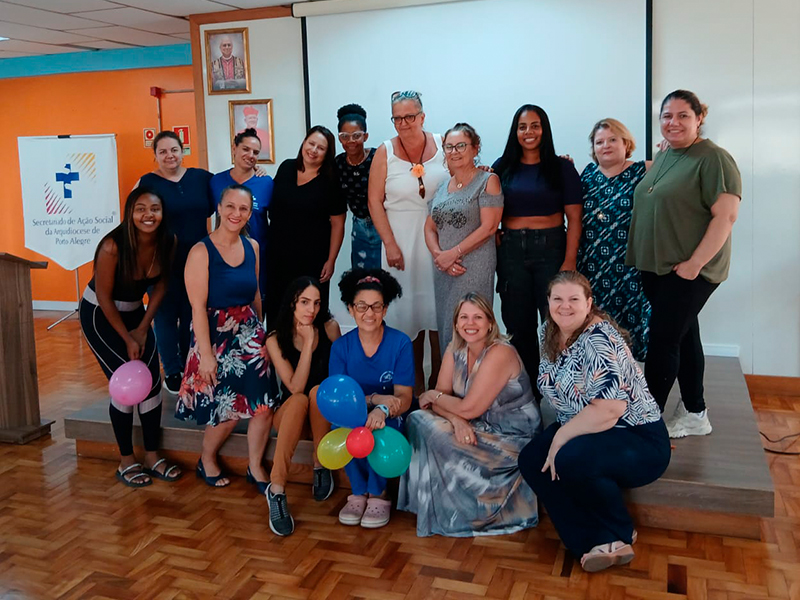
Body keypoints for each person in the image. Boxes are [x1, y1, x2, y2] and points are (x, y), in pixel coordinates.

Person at [517, 271, 670, 572]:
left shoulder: (599, 339)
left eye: (574, 299)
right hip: (590, 430)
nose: (565, 306)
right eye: (557, 299)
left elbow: (609, 410)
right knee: (531, 460)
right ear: (547, 302)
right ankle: (587, 539)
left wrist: (561, 437)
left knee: (569, 456)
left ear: (589, 304)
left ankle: (620, 532)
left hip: (637, 438)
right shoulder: (548, 331)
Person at [626, 90, 742, 438]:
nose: (673, 123)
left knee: (663, 340)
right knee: (684, 335)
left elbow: (726, 216)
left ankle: (644, 421)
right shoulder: (666, 155)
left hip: (690, 269)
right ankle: (695, 412)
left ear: (699, 118)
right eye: (666, 116)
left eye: (682, 116)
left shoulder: (714, 159)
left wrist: (694, 264)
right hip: (659, 266)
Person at [398, 292, 542, 537]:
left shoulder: (500, 352)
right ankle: (444, 502)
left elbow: (459, 405)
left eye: (477, 317)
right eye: (463, 317)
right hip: (476, 425)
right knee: (416, 419)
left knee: (435, 432)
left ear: (490, 324)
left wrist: (438, 399)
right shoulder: (455, 349)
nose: (470, 323)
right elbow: (439, 401)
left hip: (512, 440)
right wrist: (456, 419)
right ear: (455, 324)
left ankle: (466, 509)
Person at [176, 185, 278, 496]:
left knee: (264, 405)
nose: (236, 214)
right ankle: (206, 458)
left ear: (250, 213)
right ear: (219, 209)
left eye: (243, 209)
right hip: (213, 335)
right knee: (226, 408)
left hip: (249, 332)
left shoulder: (253, 247)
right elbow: (196, 308)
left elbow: (257, 294)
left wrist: (262, 334)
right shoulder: (200, 251)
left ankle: (256, 464)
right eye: (230, 207)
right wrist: (206, 355)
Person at [79, 188, 181, 487]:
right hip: (100, 314)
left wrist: (142, 328)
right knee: (126, 384)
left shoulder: (168, 242)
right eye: (140, 209)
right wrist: (127, 338)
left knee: (150, 384)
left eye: (155, 208)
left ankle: (151, 456)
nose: (148, 215)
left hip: (137, 314)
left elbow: (160, 288)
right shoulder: (112, 246)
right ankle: (126, 461)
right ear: (129, 212)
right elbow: (105, 297)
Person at [492, 105, 583, 385]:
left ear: (544, 129)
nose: (528, 132)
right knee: (519, 327)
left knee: (558, 325)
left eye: (535, 126)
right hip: (512, 253)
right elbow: (489, 213)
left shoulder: (562, 168)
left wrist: (569, 262)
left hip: (551, 251)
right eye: (522, 127)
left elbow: (575, 220)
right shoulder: (502, 167)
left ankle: (564, 393)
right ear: (515, 131)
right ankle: (529, 395)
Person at [368, 90, 449, 394]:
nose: (403, 123)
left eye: (409, 116)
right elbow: (374, 202)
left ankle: (438, 384)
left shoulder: (444, 143)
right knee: (407, 315)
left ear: (422, 116)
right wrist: (389, 243)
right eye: (397, 118)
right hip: (399, 241)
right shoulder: (384, 151)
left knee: (438, 315)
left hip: (440, 240)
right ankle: (411, 387)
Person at [329, 268, 413, 529]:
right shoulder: (341, 347)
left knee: (380, 428)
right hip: (353, 414)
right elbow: (337, 399)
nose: (369, 313)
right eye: (362, 306)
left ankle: (378, 493)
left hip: (390, 416)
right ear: (351, 309)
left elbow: (404, 397)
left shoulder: (400, 343)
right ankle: (357, 492)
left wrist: (383, 411)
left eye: (376, 307)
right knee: (345, 427)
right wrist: (376, 399)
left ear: (385, 310)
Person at [137, 131, 215, 395]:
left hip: (197, 259)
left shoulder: (201, 178)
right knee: (165, 314)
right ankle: (172, 369)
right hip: (162, 261)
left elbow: (229, 191)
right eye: (162, 152)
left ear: (183, 151)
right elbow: (136, 219)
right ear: (155, 156)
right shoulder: (147, 183)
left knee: (192, 313)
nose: (169, 156)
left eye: (174, 150)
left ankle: (189, 366)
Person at [264, 277, 342, 536]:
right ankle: (276, 490)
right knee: (299, 398)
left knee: (319, 391)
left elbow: (339, 379)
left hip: (322, 416)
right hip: (290, 417)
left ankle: (321, 465)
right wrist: (307, 344)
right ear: (291, 304)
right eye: (305, 302)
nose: (312, 310)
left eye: (317, 303)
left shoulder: (330, 328)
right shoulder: (275, 339)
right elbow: (295, 387)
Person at [577, 118, 651, 361]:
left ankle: (628, 389)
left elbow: (678, 173)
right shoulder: (586, 174)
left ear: (626, 143)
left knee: (628, 333)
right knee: (593, 330)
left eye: (612, 140)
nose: (605, 146)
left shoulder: (642, 170)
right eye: (599, 142)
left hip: (629, 268)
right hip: (591, 266)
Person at [425, 123, 503, 351]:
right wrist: (439, 255)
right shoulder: (441, 187)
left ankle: (476, 383)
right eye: (449, 147)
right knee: (448, 325)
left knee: (472, 325)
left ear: (475, 148)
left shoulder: (487, 181)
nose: (454, 151)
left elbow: (489, 227)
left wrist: (453, 254)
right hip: (444, 269)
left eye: (461, 145)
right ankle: (451, 383)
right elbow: (429, 227)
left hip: (473, 267)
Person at [267, 126, 346, 326]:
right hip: (278, 254)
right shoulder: (286, 168)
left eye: (321, 148)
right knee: (278, 308)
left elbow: (338, 223)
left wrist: (331, 260)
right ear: (304, 143)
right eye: (311, 143)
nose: (313, 150)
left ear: (327, 153)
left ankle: (310, 355)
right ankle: (277, 356)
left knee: (309, 312)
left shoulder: (330, 179)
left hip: (312, 259)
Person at [210, 128, 273, 305]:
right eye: (245, 149)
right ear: (234, 148)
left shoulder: (266, 183)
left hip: (256, 257)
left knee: (256, 306)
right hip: (222, 257)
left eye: (255, 152)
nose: (250, 155)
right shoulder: (216, 181)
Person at [335, 103, 380, 270]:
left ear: (365, 136)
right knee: (361, 279)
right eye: (345, 136)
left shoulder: (378, 157)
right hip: (359, 227)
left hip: (382, 225)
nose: (350, 141)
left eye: (356, 135)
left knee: (386, 279)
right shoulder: (338, 163)